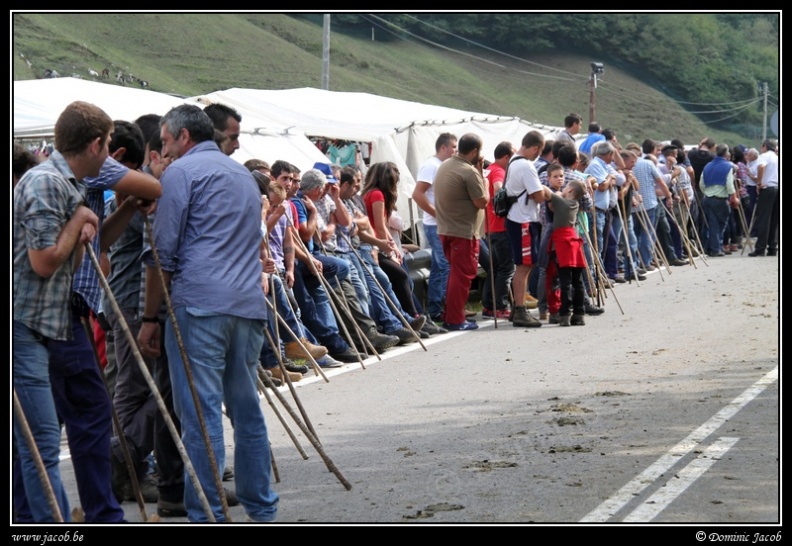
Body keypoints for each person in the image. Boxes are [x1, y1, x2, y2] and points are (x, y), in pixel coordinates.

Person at [137, 104, 278, 522]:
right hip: (247, 305)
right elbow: (256, 239)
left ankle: (209, 511)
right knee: (245, 408)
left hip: (200, 305)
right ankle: (261, 506)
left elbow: (162, 253)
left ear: (183, 138)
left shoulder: (181, 173)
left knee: (200, 415)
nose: (163, 151)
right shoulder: (244, 177)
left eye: (165, 141)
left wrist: (149, 318)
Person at [13, 101, 107, 522]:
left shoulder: (66, 185)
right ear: (95, 143)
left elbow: (62, 267)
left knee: (34, 442)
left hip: (40, 326)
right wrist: (80, 220)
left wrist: (82, 226)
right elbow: (44, 262)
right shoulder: (47, 183)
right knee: (42, 443)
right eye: (106, 146)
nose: (108, 156)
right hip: (23, 326)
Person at [431, 133, 488, 331]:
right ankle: (455, 319)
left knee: (456, 274)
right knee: (462, 276)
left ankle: (452, 314)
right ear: (474, 151)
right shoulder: (468, 172)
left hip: (446, 228)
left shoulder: (445, 165)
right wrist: (483, 178)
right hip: (463, 231)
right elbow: (482, 201)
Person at [412, 132, 457, 322]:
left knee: (442, 266)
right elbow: (417, 194)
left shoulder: (443, 166)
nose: (456, 151)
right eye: (454, 147)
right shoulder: (430, 166)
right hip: (435, 225)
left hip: (445, 225)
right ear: (444, 147)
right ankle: (436, 309)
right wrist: (437, 214)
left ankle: (443, 307)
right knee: (444, 266)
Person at [505, 131, 547, 328]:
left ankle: (517, 306)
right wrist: (546, 192)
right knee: (524, 266)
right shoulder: (526, 165)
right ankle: (520, 310)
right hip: (524, 220)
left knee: (525, 265)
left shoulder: (513, 161)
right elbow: (538, 196)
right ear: (536, 148)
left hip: (517, 217)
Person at [481, 141, 516, 319]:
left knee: (495, 269)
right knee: (507, 269)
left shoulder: (487, 169)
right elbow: (498, 188)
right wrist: (506, 203)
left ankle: (489, 305)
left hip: (489, 226)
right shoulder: (498, 171)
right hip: (500, 226)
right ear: (506, 157)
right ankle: (500, 306)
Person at [700, 144, 740, 257]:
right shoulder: (728, 166)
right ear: (726, 153)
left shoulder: (708, 165)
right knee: (720, 224)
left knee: (711, 223)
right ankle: (716, 248)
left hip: (707, 198)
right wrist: (734, 197)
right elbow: (729, 184)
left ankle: (710, 247)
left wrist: (706, 193)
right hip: (720, 198)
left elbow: (701, 183)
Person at [748, 139, 779, 257]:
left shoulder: (764, 156)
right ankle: (772, 248)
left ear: (764, 146)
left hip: (767, 188)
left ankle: (760, 248)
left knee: (763, 219)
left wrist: (759, 183)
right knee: (775, 220)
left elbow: (761, 167)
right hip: (777, 188)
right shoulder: (777, 157)